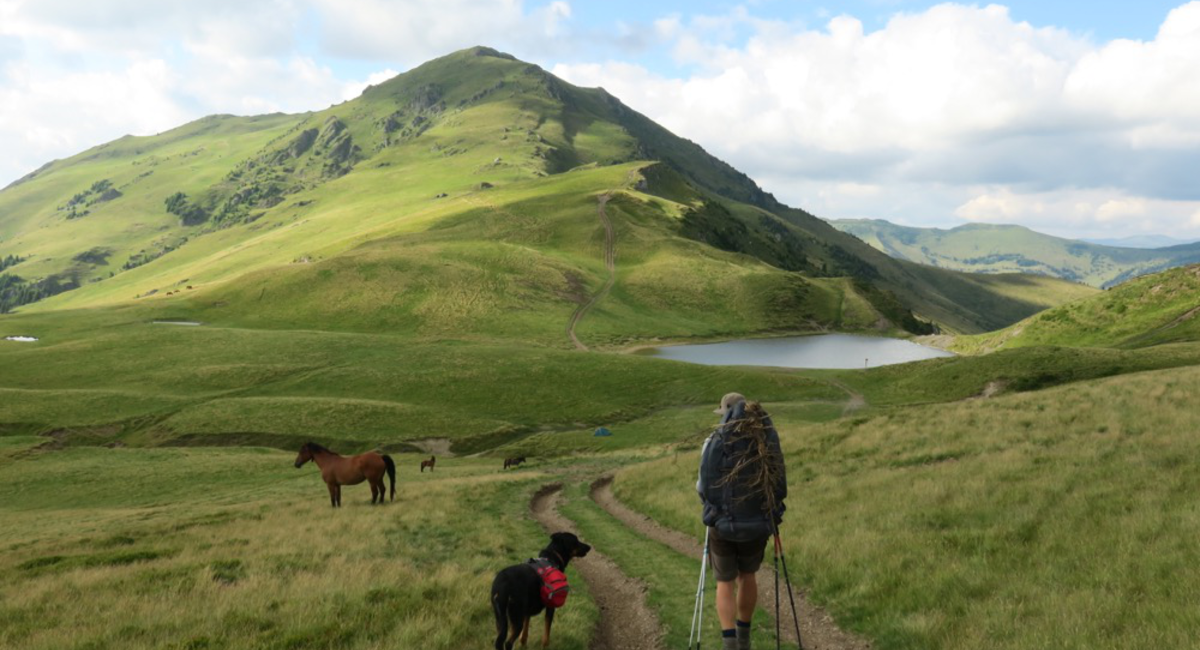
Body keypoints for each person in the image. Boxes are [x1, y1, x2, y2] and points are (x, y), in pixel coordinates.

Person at [697, 392, 787, 650]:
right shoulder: (763, 440)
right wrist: (773, 512)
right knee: (748, 576)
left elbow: (702, 485)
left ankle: (729, 642)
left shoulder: (713, 441)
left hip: (721, 525)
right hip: (758, 523)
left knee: (724, 582)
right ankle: (744, 639)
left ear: (724, 413)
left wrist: (711, 511)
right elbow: (778, 481)